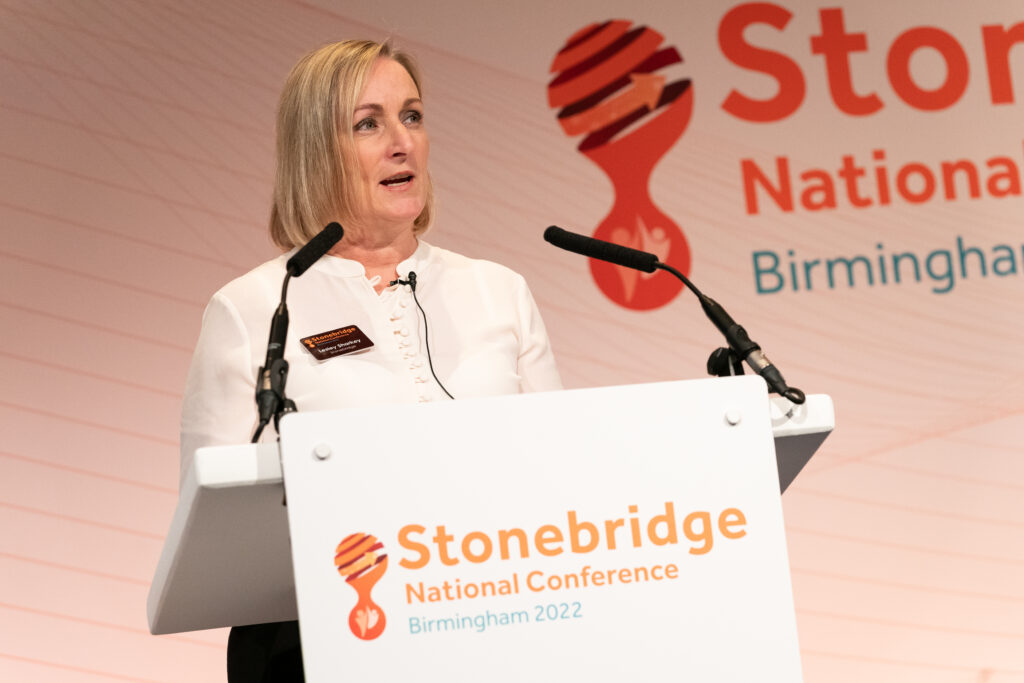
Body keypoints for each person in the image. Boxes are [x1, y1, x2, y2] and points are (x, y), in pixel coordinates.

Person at [178, 40, 562, 681]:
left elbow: (560, 471)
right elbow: (217, 526)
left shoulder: (499, 290)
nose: (402, 142)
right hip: (329, 639)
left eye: (412, 116)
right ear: (316, 152)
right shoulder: (255, 307)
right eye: (368, 124)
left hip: (497, 622)